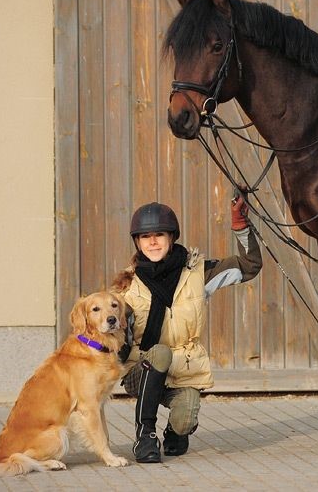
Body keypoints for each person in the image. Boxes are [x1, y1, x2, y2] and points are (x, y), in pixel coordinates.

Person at [111, 198, 261, 463]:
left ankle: (175, 432)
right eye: (145, 236)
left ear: (172, 237)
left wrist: (241, 225)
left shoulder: (198, 273)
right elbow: (111, 338)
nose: (153, 242)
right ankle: (145, 435)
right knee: (159, 353)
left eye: (159, 235)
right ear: (137, 242)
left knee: (186, 417)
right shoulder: (127, 287)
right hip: (143, 368)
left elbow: (249, 266)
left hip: (184, 366)